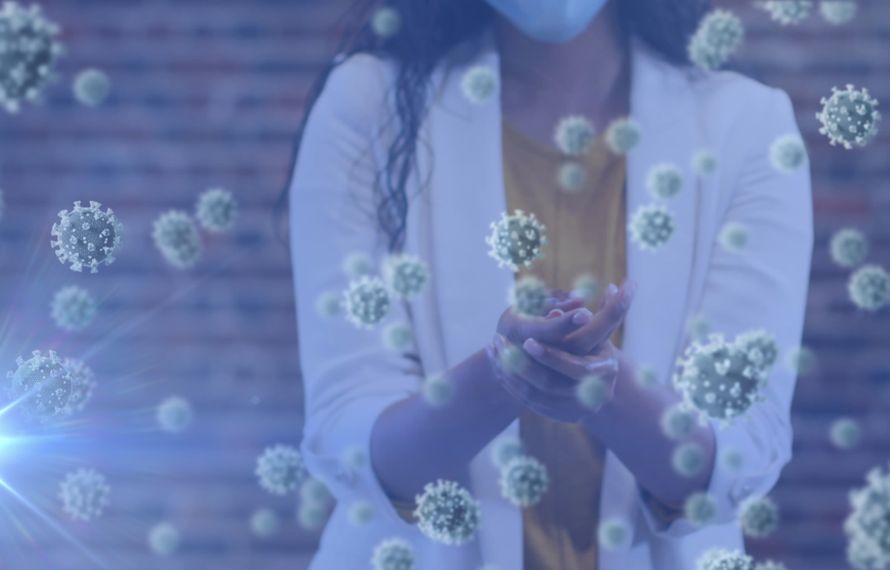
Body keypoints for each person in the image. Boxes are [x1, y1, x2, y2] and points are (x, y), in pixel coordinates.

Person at [286, 0, 812, 568]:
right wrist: (499, 380)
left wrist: (605, 391)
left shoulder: (746, 123)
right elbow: (351, 441)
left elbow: (739, 454)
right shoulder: (367, 104)